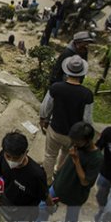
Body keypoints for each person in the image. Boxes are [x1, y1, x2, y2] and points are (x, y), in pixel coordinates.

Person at [26, 122, 103, 222]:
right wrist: (58, 170)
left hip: (77, 193)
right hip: (60, 184)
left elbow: (85, 182)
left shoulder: (97, 158)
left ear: (87, 140)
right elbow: (68, 158)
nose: (74, 143)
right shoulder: (76, 145)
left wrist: (76, 161)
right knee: (43, 205)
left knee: (71, 217)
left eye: (77, 141)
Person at [40, 55, 94, 185]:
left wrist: (43, 119)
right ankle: (58, 175)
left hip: (56, 129)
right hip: (73, 135)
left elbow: (46, 107)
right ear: (82, 74)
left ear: (67, 71)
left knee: (50, 155)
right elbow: (87, 118)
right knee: (66, 154)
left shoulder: (56, 87)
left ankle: (47, 180)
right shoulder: (87, 94)